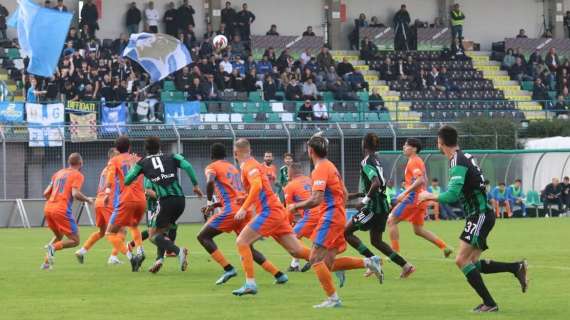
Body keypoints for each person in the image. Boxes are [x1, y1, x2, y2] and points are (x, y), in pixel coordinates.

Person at [419, 125, 528, 313]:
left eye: (438, 142)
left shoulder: (457, 161)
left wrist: (428, 196)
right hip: (481, 214)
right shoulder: (464, 156)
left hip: (479, 215)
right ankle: (515, 267)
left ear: (440, 143)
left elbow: (452, 195)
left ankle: (490, 303)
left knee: (461, 260)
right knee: (473, 262)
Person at [286, 135, 382, 308]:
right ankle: (368, 261)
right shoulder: (330, 166)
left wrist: (295, 207)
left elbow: (316, 199)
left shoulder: (320, 169)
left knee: (314, 258)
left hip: (330, 216)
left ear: (310, 151)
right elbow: (344, 193)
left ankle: (333, 299)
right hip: (337, 214)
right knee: (326, 264)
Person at [198, 143, 287, 285]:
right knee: (248, 247)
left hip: (231, 210)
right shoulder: (233, 168)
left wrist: (209, 202)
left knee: (203, 237)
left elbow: (210, 182)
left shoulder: (212, 167)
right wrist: (216, 204)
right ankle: (278, 274)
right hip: (243, 209)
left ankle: (228, 268)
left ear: (211, 155)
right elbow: (234, 193)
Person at [124, 136, 203, 273]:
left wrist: (132, 166)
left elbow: (127, 180)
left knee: (153, 236)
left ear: (146, 149)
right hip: (180, 200)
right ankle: (159, 259)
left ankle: (179, 252)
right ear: (160, 147)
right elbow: (188, 166)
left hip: (165, 201)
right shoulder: (172, 156)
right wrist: (195, 185)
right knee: (162, 231)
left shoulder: (142, 163)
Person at [345, 133, 415, 279]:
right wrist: (361, 194)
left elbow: (375, 183)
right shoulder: (376, 160)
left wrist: (364, 201)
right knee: (376, 240)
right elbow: (376, 183)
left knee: (346, 232)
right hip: (382, 206)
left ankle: (372, 261)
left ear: (364, 144)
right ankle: (405, 266)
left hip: (372, 207)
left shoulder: (366, 161)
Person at [387, 138, 452, 257]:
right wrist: (424, 197)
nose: (404, 147)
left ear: (414, 149)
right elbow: (425, 179)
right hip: (419, 199)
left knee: (391, 220)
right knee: (418, 230)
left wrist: (404, 192)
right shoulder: (417, 161)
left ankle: (394, 253)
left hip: (412, 198)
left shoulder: (414, 161)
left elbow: (420, 179)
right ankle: (444, 247)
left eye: (406, 146)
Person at [41, 153, 93, 270]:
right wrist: (87, 199)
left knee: (59, 236)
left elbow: (46, 193)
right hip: (61, 209)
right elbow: (75, 194)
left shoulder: (58, 174)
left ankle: (46, 264)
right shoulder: (77, 175)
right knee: (75, 240)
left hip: (48, 208)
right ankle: (52, 248)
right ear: (80, 163)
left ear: (69, 163)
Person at [103, 136, 147, 272]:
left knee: (109, 233)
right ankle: (140, 250)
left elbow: (110, 178)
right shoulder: (139, 159)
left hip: (126, 199)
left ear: (117, 149)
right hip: (141, 199)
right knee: (134, 225)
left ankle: (131, 256)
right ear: (129, 147)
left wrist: (107, 193)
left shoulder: (114, 160)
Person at [75, 148, 120, 265]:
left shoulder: (105, 169)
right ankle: (113, 257)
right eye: (117, 156)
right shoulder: (114, 168)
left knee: (101, 231)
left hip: (99, 201)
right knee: (122, 231)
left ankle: (82, 251)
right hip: (107, 201)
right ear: (112, 157)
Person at [283, 162, 314, 272]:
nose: (287, 173)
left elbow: (290, 209)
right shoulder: (310, 180)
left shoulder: (290, 186)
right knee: (316, 239)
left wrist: (288, 223)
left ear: (291, 172)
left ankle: (313, 257)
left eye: (288, 171)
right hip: (322, 212)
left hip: (311, 215)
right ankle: (294, 264)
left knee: (291, 238)